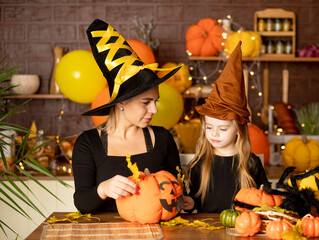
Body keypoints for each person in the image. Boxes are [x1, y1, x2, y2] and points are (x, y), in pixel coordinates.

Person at [72, 19, 182, 213]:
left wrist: (183, 199)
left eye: (155, 101)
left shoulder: (163, 138)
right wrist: (103, 189)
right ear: (121, 102)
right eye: (146, 102)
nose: (154, 110)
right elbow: (82, 203)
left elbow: (177, 196)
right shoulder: (87, 143)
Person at [182, 42, 270, 213]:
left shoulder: (251, 163)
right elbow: (195, 200)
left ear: (238, 129)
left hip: (244, 227)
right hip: (207, 231)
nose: (214, 134)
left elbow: (264, 197)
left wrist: (266, 195)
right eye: (209, 127)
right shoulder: (199, 164)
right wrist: (190, 202)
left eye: (222, 129)